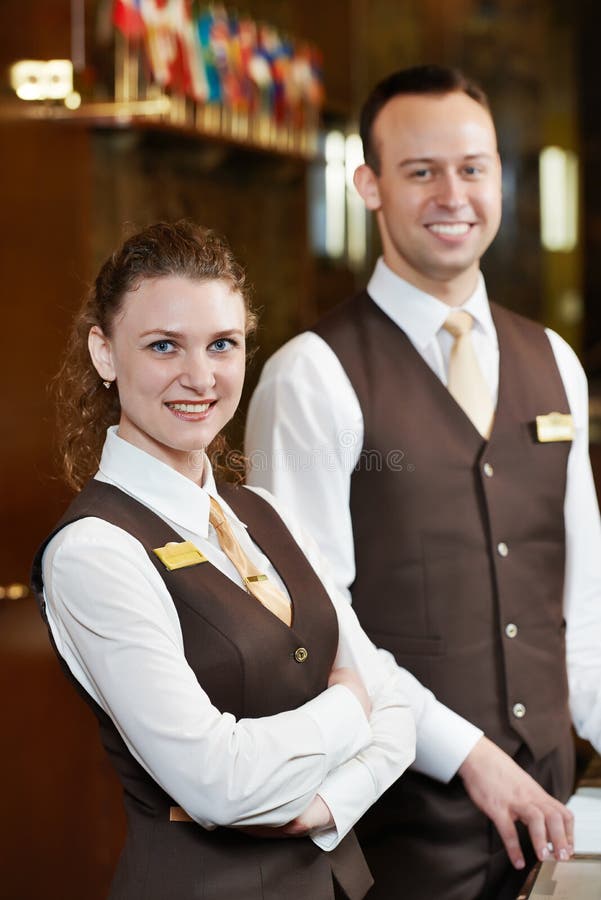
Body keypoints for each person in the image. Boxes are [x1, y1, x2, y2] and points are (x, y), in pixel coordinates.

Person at [245, 64, 601, 900]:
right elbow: (315, 628)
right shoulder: (310, 377)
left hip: (550, 817)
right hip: (399, 832)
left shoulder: (553, 360)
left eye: (472, 168)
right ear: (369, 185)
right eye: (420, 171)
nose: (452, 195)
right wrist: (467, 754)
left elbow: (582, 609)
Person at [31, 221, 416, 900]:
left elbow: (398, 708)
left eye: (222, 344)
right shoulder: (94, 551)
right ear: (104, 353)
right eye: (163, 346)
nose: (200, 377)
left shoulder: (265, 511)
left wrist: (326, 807)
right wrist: (348, 705)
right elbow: (221, 783)